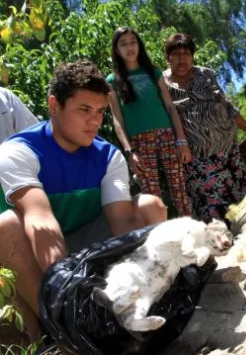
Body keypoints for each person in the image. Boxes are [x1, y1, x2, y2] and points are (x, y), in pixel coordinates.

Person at [0, 60, 167, 341]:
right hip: (29, 256)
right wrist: (72, 297)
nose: (95, 122)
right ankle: (64, 331)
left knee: (151, 206)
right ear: (54, 106)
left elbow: (123, 223)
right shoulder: (16, 152)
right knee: (4, 226)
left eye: (101, 112)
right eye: (84, 110)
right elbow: (41, 222)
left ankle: (146, 304)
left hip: (84, 241)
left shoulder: (108, 156)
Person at [163, 33, 246, 223]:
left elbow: (227, 105)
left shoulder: (205, 74)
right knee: (214, 214)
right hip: (197, 160)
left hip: (228, 152)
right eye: (176, 54)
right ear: (168, 58)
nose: (182, 58)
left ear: (192, 56)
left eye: (186, 53)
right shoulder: (163, 84)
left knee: (245, 205)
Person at [106, 27, 192, 217]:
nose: (129, 47)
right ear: (116, 49)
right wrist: (129, 152)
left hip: (167, 136)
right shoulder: (112, 80)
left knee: (179, 191)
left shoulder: (153, 72)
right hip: (139, 143)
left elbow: (170, 107)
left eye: (133, 42)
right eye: (123, 43)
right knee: (152, 198)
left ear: (139, 45)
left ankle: (193, 232)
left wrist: (181, 140)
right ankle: (163, 241)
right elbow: (117, 119)